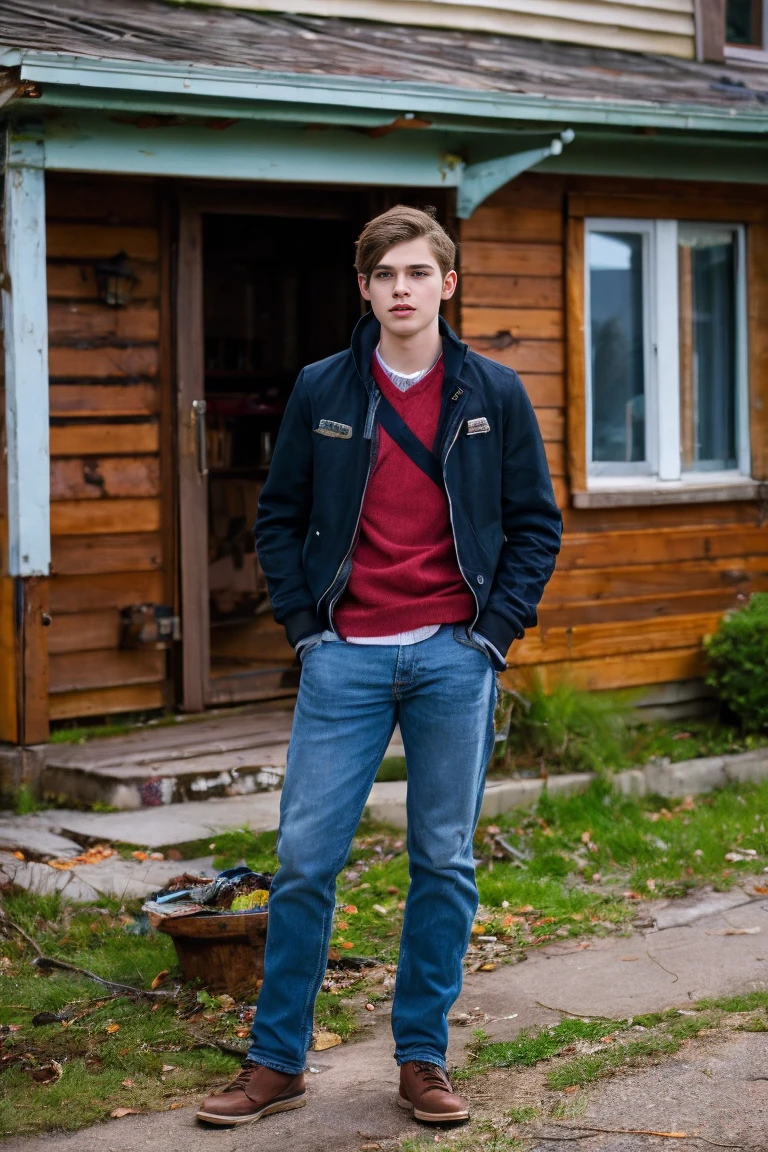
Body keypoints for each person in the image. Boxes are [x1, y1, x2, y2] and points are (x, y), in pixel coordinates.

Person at [197, 205, 562, 1128]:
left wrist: (492, 635)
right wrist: (307, 631)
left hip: (453, 656)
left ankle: (423, 1058)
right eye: (384, 274)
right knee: (305, 861)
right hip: (344, 659)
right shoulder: (324, 388)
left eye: (417, 272)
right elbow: (276, 519)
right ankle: (277, 1060)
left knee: (442, 860)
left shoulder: (495, 394)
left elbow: (535, 526)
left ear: (448, 282)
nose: (401, 289)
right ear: (363, 288)